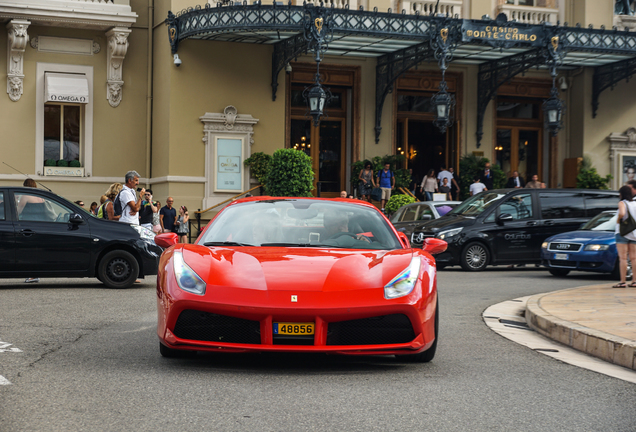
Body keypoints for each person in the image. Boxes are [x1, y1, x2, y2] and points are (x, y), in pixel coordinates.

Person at [19, 178, 42, 284]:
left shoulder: (25, 196)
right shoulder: (41, 197)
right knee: (36, 251)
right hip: (41, 226)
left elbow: (18, 211)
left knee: (27, 251)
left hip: (28, 226)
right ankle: (35, 274)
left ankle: (31, 275)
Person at [614, 185, 636, 287]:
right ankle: (634, 281)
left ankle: (622, 282)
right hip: (634, 233)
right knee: (634, 258)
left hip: (622, 233)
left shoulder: (622, 203)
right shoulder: (635, 203)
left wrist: (618, 219)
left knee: (623, 258)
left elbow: (622, 213)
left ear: (621, 194)